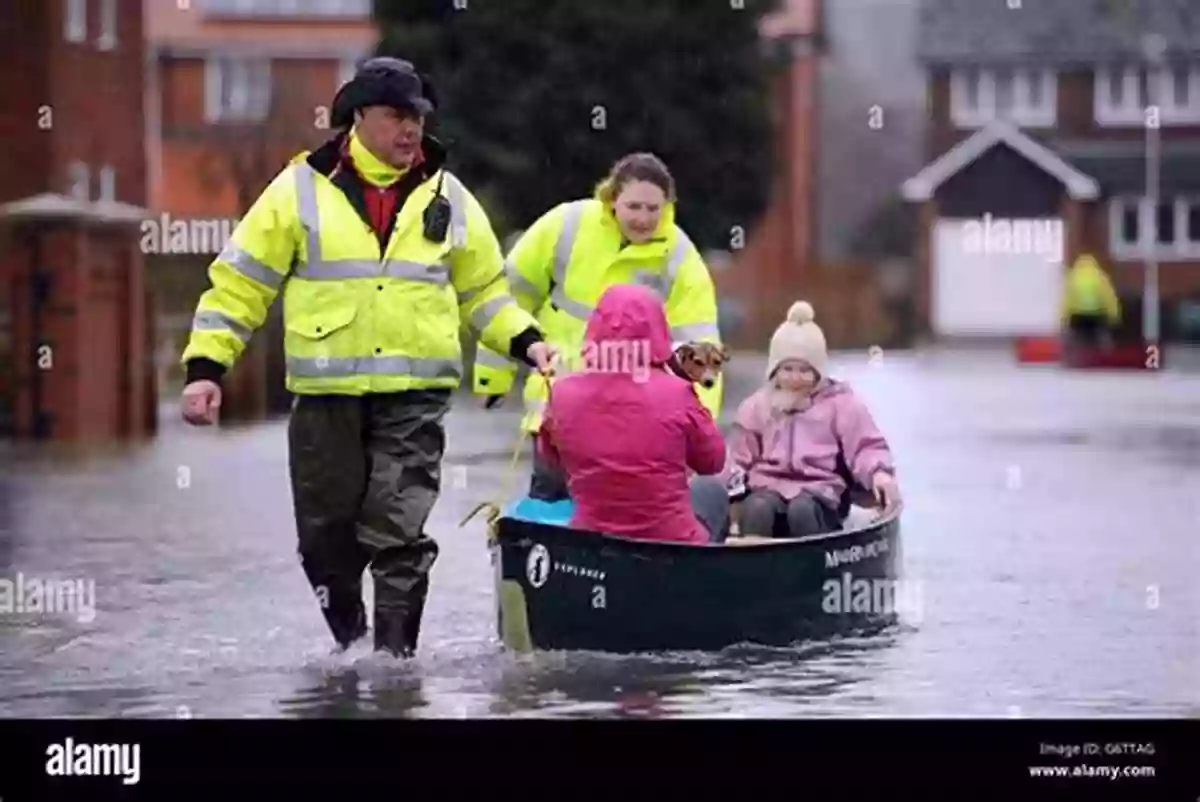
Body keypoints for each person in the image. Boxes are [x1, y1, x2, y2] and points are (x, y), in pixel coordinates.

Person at [177, 57, 556, 657]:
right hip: (325, 396)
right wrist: (206, 368)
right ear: (360, 117)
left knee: (398, 529)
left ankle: (394, 663)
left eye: (418, 118)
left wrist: (526, 341)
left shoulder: (449, 196)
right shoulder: (299, 189)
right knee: (324, 539)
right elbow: (241, 282)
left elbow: (484, 291)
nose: (411, 131)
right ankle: (351, 646)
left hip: (415, 395)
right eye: (397, 117)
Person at [472, 152, 724, 501]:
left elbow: (700, 346)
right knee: (551, 503)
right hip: (555, 403)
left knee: (612, 512)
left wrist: (699, 428)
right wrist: (492, 375)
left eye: (655, 209)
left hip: (631, 421)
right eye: (634, 206)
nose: (644, 219)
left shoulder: (678, 256)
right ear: (611, 198)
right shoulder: (565, 226)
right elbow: (506, 300)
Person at [536, 284, 731, 544]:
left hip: (592, 536)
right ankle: (709, 575)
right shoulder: (677, 392)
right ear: (659, 330)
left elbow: (551, 461)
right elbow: (712, 461)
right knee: (711, 490)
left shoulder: (562, 392)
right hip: (672, 541)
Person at [723, 302, 900, 540]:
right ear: (775, 371)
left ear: (818, 373)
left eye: (805, 371)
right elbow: (737, 457)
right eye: (787, 369)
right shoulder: (758, 407)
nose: (795, 378)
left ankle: (812, 563)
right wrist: (724, 488)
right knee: (757, 510)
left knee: (802, 511)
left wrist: (879, 473)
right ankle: (753, 561)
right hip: (766, 487)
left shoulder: (839, 405)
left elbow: (865, 446)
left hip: (820, 492)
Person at [1062, 253, 1121, 351]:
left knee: (1078, 342)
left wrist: (1064, 319)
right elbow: (1109, 297)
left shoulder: (1073, 278)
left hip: (1077, 317)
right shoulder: (1100, 277)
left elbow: (1067, 300)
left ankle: (1078, 357)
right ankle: (1104, 355)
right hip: (1097, 315)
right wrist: (1114, 315)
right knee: (1101, 340)